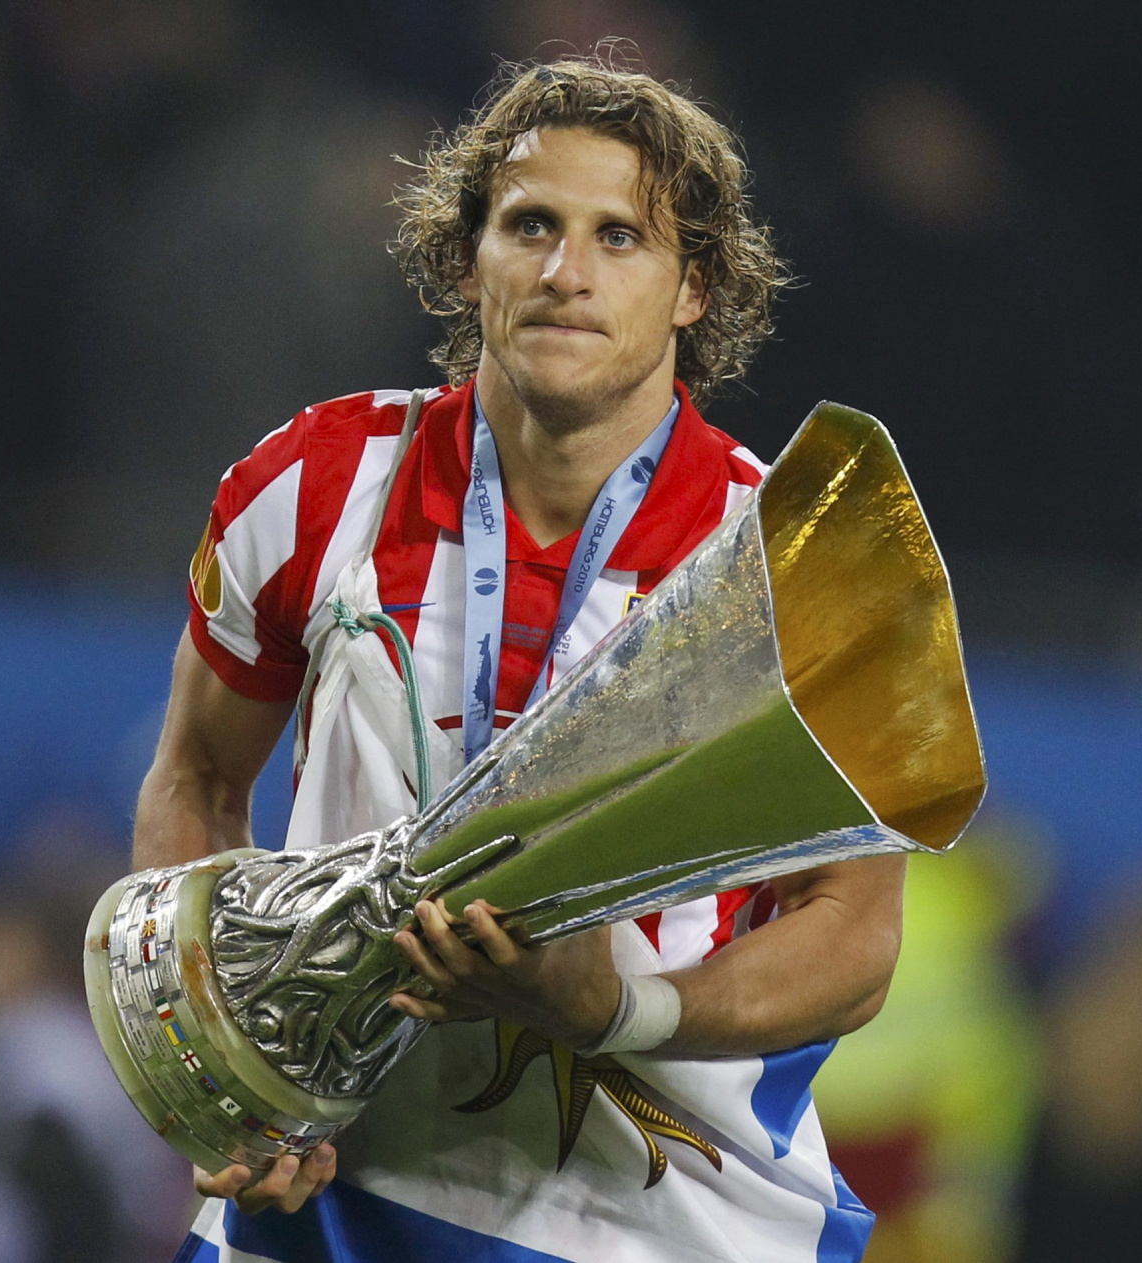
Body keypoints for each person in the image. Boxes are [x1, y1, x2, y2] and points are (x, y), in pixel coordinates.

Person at [135, 57, 896, 1263]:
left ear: (695, 288)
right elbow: (195, 785)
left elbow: (853, 934)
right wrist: (234, 1075)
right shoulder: (316, 487)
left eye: (620, 238)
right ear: (468, 254)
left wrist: (619, 1007)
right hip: (325, 1202)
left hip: (652, 1227)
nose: (564, 272)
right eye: (529, 224)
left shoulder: (786, 566)